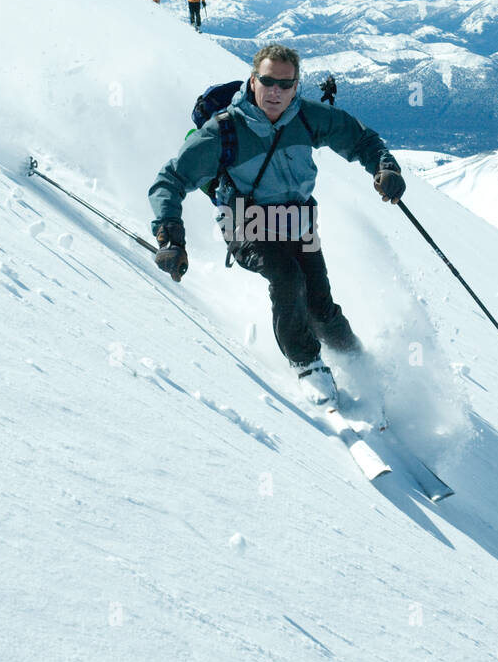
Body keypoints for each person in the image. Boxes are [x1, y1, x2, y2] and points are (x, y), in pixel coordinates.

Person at [148, 44, 406, 404]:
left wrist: (384, 167)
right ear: (253, 80)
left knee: (320, 307)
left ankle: (359, 363)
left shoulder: (306, 117)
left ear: (296, 87)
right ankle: (307, 364)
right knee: (288, 278)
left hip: (297, 222)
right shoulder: (225, 131)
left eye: (285, 85)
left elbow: (360, 137)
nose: (275, 92)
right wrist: (169, 235)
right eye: (267, 81)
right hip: (245, 222)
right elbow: (171, 180)